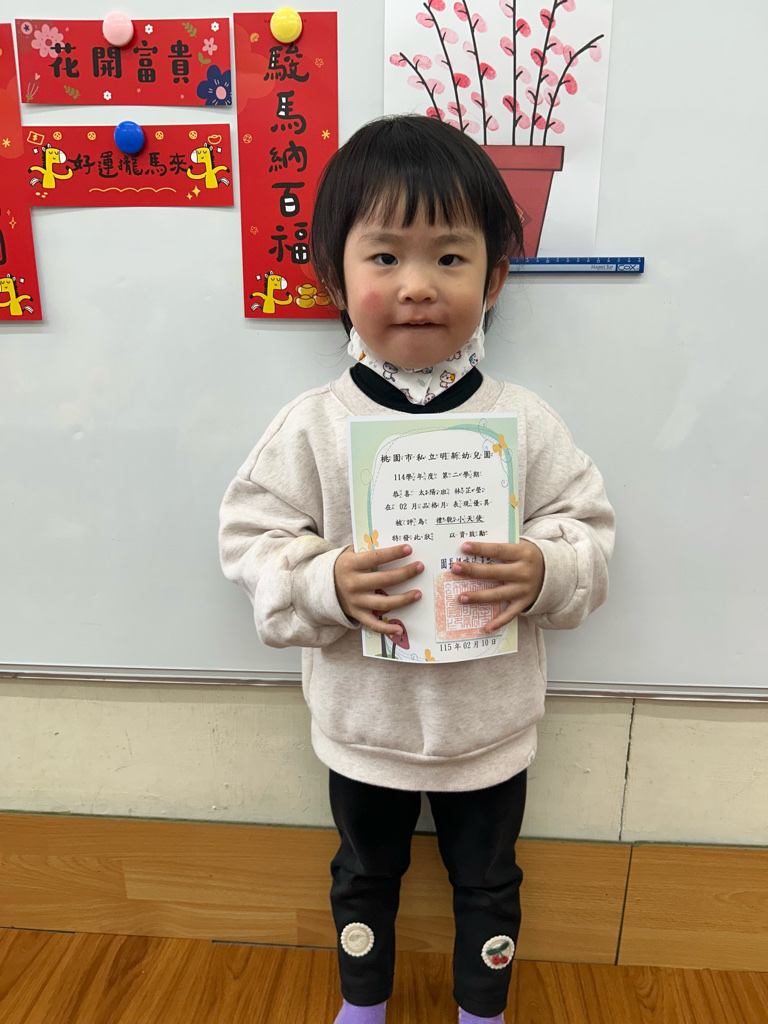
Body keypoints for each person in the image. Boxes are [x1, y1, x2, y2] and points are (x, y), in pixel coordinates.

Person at [219, 115, 615, 1024]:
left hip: (490, 729)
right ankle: (364, 1007)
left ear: (495, 278)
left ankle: (483, 1010)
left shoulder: (528, 423)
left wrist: (545, 571)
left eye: (450, 257)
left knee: (490, 881)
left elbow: (589, 535)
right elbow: (249, 542)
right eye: (385, 256)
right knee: (364, 875)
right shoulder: (312, 426)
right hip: (364, 729)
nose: (417, 285)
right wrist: (324, 583)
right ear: (335, 277)